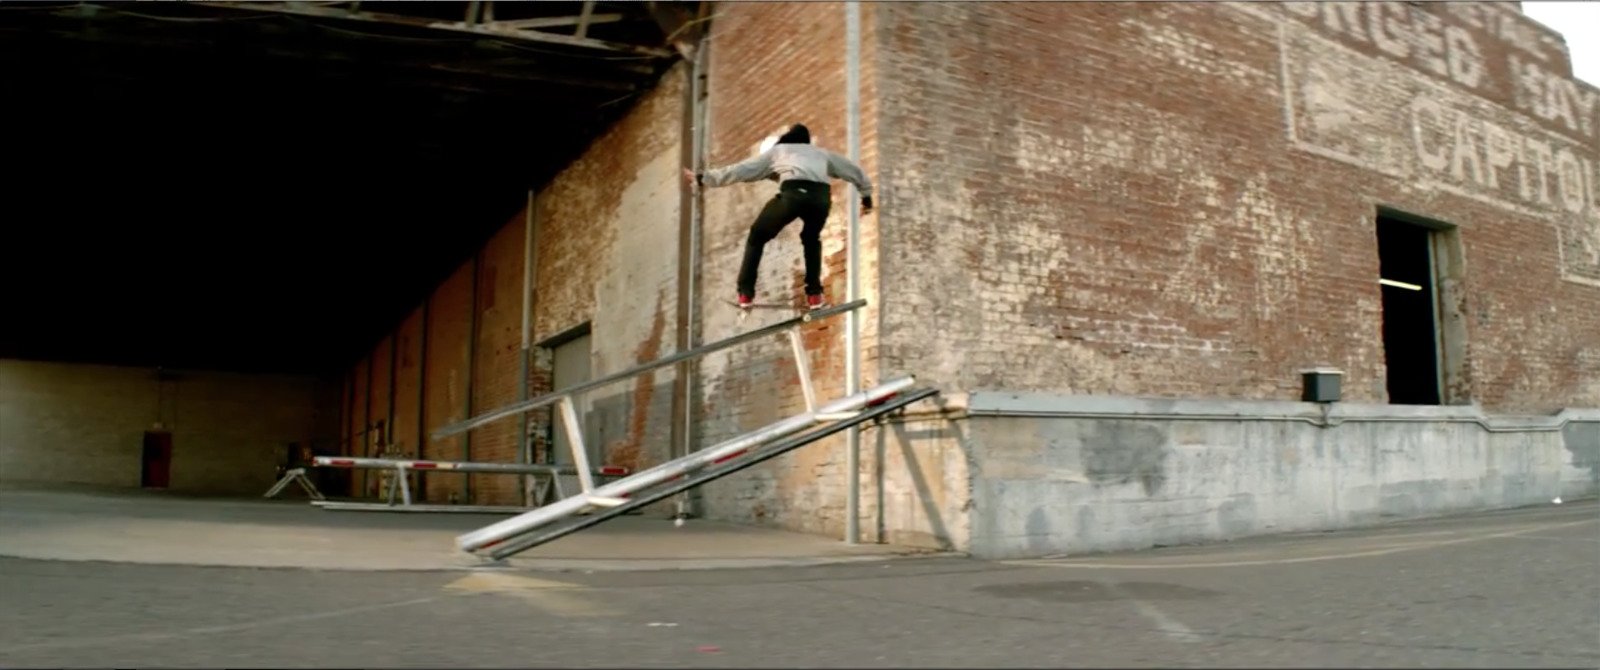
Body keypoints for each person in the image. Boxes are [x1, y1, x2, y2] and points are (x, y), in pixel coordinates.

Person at [683, 123, 874, 310]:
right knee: (811, 239)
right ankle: (815, 296)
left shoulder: (778, 151)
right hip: (821, 199)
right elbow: (854, 171)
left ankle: (745, 292)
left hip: (793, 195)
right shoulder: (821, 154)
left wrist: (703, 178)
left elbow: (742, 170)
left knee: (757, 236)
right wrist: (866, 198)